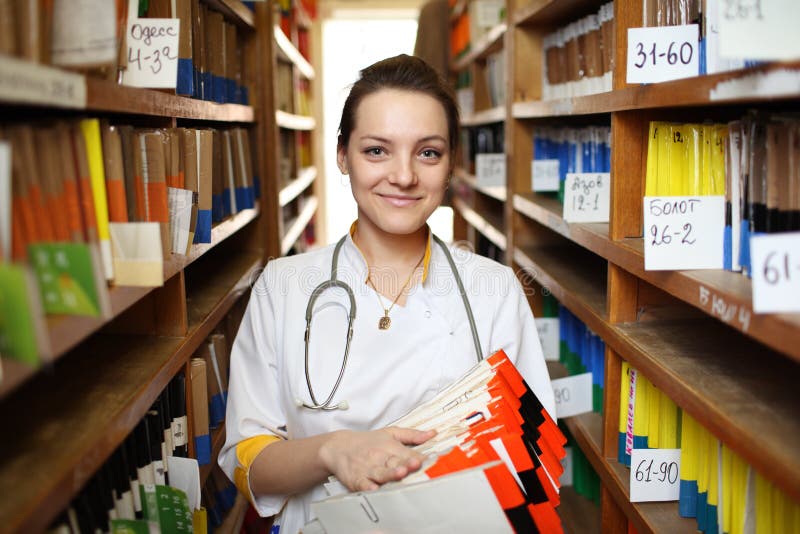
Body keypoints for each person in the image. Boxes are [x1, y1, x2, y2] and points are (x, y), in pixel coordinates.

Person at [219, 54, 555, 534]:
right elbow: (247, 463)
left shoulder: (495, 290)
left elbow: (532, 465)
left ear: (450, 162)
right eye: (377, 150)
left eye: (428, 152)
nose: (403, 176)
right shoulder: (283, 286)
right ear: (342, 155)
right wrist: (331, 450)